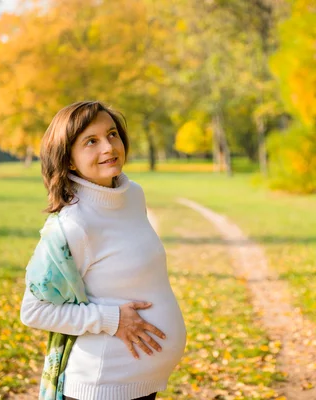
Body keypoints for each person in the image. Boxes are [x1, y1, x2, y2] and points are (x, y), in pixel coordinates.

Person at [20, 100, 187, 400]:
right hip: (102, 386)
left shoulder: (132, 195)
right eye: (91, 142)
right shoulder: (72, 225)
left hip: (141, 383)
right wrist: (111, 319)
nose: (109, 147)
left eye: (112, 134)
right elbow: (33, 310)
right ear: (69, 159)